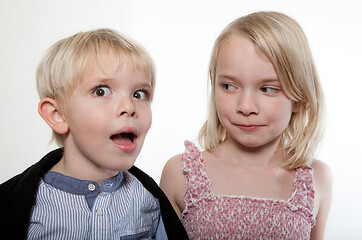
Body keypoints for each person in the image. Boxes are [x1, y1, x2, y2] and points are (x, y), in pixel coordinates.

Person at [0, 28, 188, 239]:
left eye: (139, 94)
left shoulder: (149, 201)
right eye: (101, 91)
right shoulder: (21, 206)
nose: (129, 106)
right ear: (58, 115)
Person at [160, 11, 332, 239]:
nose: (246, 106)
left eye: (268, 88)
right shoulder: (180, 173)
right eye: (230, 86)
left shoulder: (316, 178)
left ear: (300, 98)